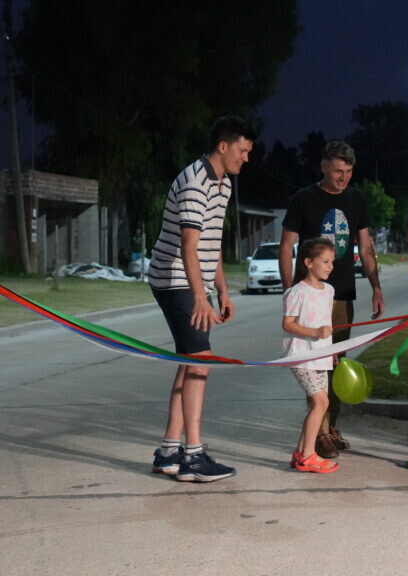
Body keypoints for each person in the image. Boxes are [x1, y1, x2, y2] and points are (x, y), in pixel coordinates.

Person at [148, 116, 255, 482]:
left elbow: (212, 241)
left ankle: (167, 452)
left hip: (191, 279)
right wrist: (199, 297)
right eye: (242, 150)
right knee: (201, 361)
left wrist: (222, 289)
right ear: (223, 147)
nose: (246, 158)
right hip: (174, 278)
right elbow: (188, 245)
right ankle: (192, 456)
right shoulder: (196, 181)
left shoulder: (222, 183)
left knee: (189, 361)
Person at [279, 140, 385, 459]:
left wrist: (376, 287)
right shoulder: (303, 199)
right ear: (323, 166)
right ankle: (321, 433)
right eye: (337, 171)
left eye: (349, 172)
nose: (343, 178)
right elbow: (286, 245)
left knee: (336, 364)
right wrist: (289, 289)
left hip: (341, 296)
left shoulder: (357, 200)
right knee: (316, 365)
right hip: (310, 297)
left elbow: (365, 248)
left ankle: (331, 426)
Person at [282, 238, 340, 474]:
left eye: (332, 262)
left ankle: (300, 453)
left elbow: (326, 323)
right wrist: (314, 333)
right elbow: (288, 324)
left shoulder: (329, 291)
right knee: (321, 402)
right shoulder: (296, 292)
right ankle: (308, 455)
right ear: (308, 262)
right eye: (325, 261)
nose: (330, 266)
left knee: (320, 404)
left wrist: (331, 349)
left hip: (321, 356)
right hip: (301, 355)